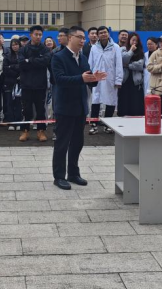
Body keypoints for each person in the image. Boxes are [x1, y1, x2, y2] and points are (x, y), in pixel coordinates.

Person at [51, 26, 105, 190]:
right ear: (70, 38)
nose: (83, 40)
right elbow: (60, 80)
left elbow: (86, 78)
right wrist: (82, 78)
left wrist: (94, 79)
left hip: (80, 106)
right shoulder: (58, 57)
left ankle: (73, 173)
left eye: (83, 38)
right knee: (62, 143)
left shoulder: (82, 58)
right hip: (65, 107)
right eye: (79, 37)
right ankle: (59, 176)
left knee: (77, 143)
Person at [18, 25, 51, 142]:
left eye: (40, 35)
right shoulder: (23, 49)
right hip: (26, 84)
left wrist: (30, 60)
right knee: (26, 110)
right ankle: (25, 131)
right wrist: (35, 62)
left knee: (40, 110)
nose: (38, 37)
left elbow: (45, 62)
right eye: (36, 34)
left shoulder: (45, 49)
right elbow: (22, 64)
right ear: (31, 35)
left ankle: (41, 131)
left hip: (40, 85)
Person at [89, 26, 123, 134]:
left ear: (108, 34)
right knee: (95, 100)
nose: (103, 34)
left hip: (110, 78)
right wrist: (90, 78)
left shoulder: (115, 47)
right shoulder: (94, 48)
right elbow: (90, 63)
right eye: (101, 33)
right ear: (98, 35)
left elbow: (119, 65)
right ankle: (94, 124)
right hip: (97, 78)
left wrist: (118, 80)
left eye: (105, 32)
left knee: (111, 101)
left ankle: (108, 125)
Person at [118, 32, 145, 116]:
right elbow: (123, 60)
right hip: (125, 79)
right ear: (129, 40)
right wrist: (131, 51)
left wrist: (128, 65)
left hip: (136, 80)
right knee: (124, 100)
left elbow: (140, 65)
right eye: (133, 40)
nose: (134, 42)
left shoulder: (140, 52)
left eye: (136, 41)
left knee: (135, 101)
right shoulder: (123, 49)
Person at [2, 36, 22, 131]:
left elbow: (23, 67)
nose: (15, 46)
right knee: (9, 103)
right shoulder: (7, 56)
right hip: (9, 82)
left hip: (20, 83)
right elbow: (5, 68)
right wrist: (15, 70)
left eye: (16, 44)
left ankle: (18, 122)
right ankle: (11, 122)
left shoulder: (22, 55)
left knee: (19, 103)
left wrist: (12, 66)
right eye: (13, 45)